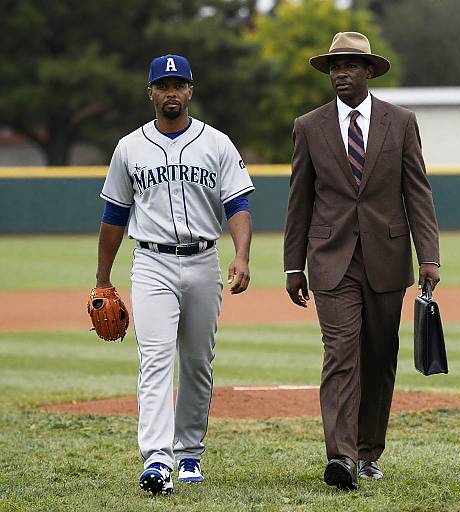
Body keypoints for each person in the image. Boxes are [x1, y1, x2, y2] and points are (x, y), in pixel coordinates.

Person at [283, 32, 440, 490]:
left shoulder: (401, 122)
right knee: (340, 353)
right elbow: (299, 202)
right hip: (331, 260)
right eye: (334, 66)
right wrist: (294, 265)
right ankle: (342, 457)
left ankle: (370, 451)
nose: (341, 73)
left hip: (388, 258)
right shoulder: (308, 127)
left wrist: (428, 255)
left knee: (379, 355)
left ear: (369, 71)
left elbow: (418, 192)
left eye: (350, 65)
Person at [94, 54, 254, 495]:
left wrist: (241, 254)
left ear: (189, 91)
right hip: (151, 263)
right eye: (162, 85)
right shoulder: (129, 147)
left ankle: (189, 455)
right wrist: (103, 279)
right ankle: (157, 459)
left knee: (198, 363)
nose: (170, 92)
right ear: (150, 93)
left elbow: (238, 205)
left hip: (204, 260)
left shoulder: (217, 143)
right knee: (156, 360)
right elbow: (114, 215)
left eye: (178, 84)